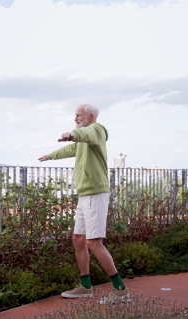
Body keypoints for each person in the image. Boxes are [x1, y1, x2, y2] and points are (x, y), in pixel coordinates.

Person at [38, 104, 129, 304]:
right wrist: (50, 156)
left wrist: (73, 134)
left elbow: (87, 133)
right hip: (85, 193)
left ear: (89, 116)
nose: (75, 118)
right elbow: (72, 147)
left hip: (96, 192)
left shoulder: (97, 130)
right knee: (79, 238)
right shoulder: (81, 138)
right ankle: (86, 286)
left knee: (94, 243)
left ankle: (120, 289)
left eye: (78, 115)